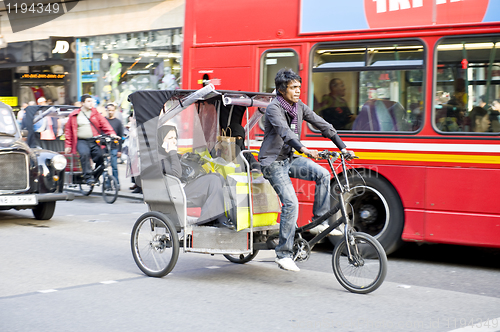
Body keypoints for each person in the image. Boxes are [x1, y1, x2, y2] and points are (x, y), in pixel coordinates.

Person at [258, 68, 355, 272]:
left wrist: (342, 146)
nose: (297, 91)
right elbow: (285, 133)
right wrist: (305, 150)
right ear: (282, 90)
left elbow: (321, 123)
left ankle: (318, 219)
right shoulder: (274, 108)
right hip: (273, 162)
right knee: (291, 203)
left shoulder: (299, 106)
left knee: (323, 174)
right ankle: (283, 254)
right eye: (293, 87)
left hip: (290, 159)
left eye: (299, 87)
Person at [158, 124, 234, 228]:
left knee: (218, 177)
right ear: (161, 140)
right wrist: (172, 152)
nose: (174, 141)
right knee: (213, 180)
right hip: (175, 192)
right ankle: (211, 218)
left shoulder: (172, 154)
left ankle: (216, 216)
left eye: (175, 138)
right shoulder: (160, 157)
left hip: (183, 187)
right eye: (170, 138)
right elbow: (176, 174)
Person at [64, 94, 117, 186]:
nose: (91, 103)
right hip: (81, 141)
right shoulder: (74, 114)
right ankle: (88, 177)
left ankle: (95, 177)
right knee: (84, 154)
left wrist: (112, 133)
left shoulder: (95, 113)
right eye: (88, 101)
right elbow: (68, 131)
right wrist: (68, 145)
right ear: (82, 103)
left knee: (101, 156)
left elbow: (104, 124)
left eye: (91, 101)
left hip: (94, 140)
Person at [105, 103, 124, 190]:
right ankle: (107, 184)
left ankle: (116, 184)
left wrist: (119, 150)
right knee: (105, 167)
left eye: (112, 110)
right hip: (104, 147)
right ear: (106, 110)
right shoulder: (103, 121)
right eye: (109, 110)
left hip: (114, 147)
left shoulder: (118, 122)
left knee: (114, 166)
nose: (110, 112)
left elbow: (120, 136)